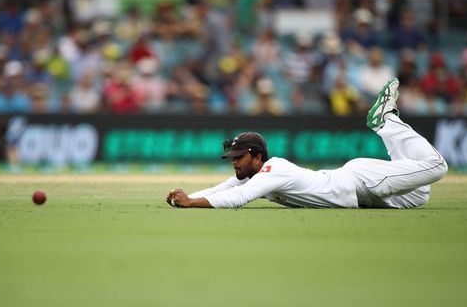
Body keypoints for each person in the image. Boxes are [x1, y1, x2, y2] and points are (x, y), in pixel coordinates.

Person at [166, 78, 448, 209]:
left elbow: (237, 198)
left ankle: (384, 122)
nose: (234, 162)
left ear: (257, 156)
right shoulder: (251, 175)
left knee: (436, 166)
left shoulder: (272, 170)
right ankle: (388, 127)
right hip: (365, 198)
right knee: (420, 193)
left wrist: (190, 203)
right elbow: (220, 189)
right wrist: (188, 196)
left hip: (359, 182)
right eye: (232, 157)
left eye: (239, 157)